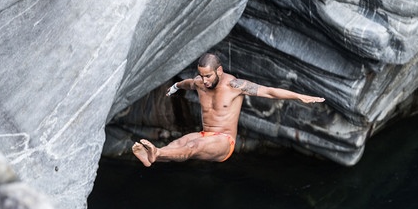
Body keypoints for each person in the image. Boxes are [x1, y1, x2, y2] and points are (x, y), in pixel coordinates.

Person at [132, 53, 325, 166]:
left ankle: (156, 153)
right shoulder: (199, 83)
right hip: (206, 134)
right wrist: (174, 88)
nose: (205, 81)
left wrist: (299, 96)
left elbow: (270, 92)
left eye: (208, 76)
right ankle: (153, 157)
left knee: (192, 147)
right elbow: (187, 83)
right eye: (202, 75)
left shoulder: (234, 85)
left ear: (219, 71)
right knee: (179, 143)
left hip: (225, 142)